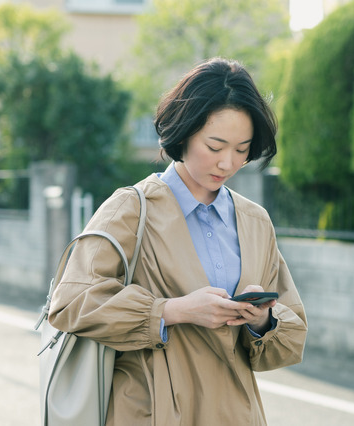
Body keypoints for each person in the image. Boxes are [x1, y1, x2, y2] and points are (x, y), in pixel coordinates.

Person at [49, 57, 307, 425]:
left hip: (234, 412)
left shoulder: (254, 221)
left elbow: (291, 332)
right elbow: (70, 301)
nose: (227, 163)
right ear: (183, 133)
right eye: (215, 146)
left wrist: (262, 321)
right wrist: (172, 311)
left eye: (241, 148)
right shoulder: (131, 208)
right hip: (151, 410)